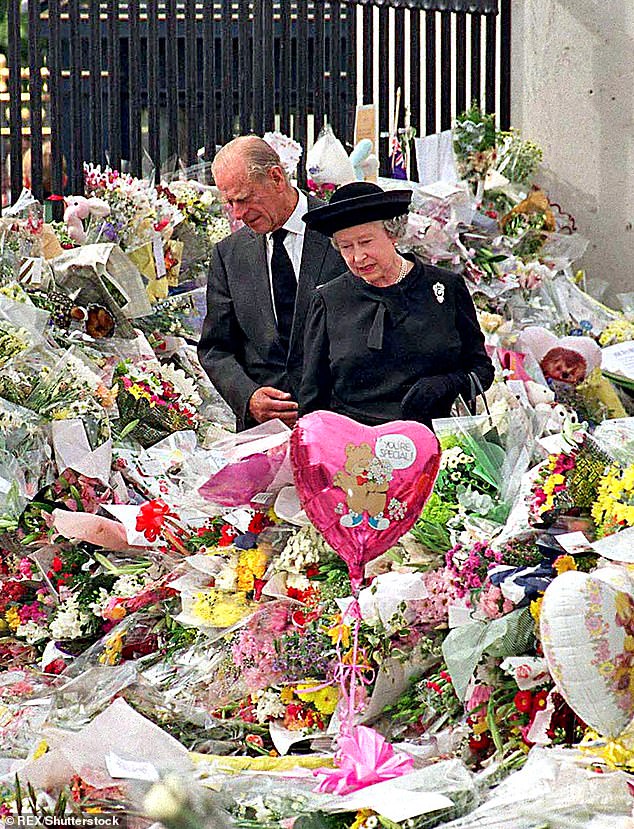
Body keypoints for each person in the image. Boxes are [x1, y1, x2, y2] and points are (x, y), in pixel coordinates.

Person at [299, 181, 494, 426]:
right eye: (346, 247)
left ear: (392, 234)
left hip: (436, 443)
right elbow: (313, 399)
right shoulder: (328, 300)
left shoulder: (446, 287)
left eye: (366, 242)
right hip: (355, 450)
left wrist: (447, 385)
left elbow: (481, 370)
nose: (358, 257)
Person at [198, 136, 345, 431]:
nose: (237, 214)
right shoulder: (229, 255)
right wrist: (248, 396)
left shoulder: (341, 234)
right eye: (230, 203)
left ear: (276, 177)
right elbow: (216, 348)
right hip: (264, 435)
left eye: (243, 198)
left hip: (340, 425)